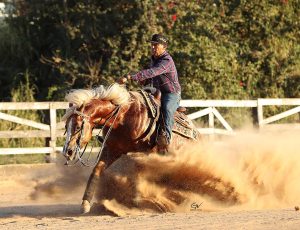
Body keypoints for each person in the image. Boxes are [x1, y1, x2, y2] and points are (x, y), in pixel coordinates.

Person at [119, 34, 181, 151]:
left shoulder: (166, 61)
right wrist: (144, 80)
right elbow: (151, 76)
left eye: (155, 45)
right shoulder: (154, 59)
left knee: (167, 108)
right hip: (157, 91)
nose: (152, 47)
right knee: (139, 102)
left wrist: (131, 76)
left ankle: (165, 139)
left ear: (164, 47)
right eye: (152, 45)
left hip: (171, 94)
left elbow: (153, 72)